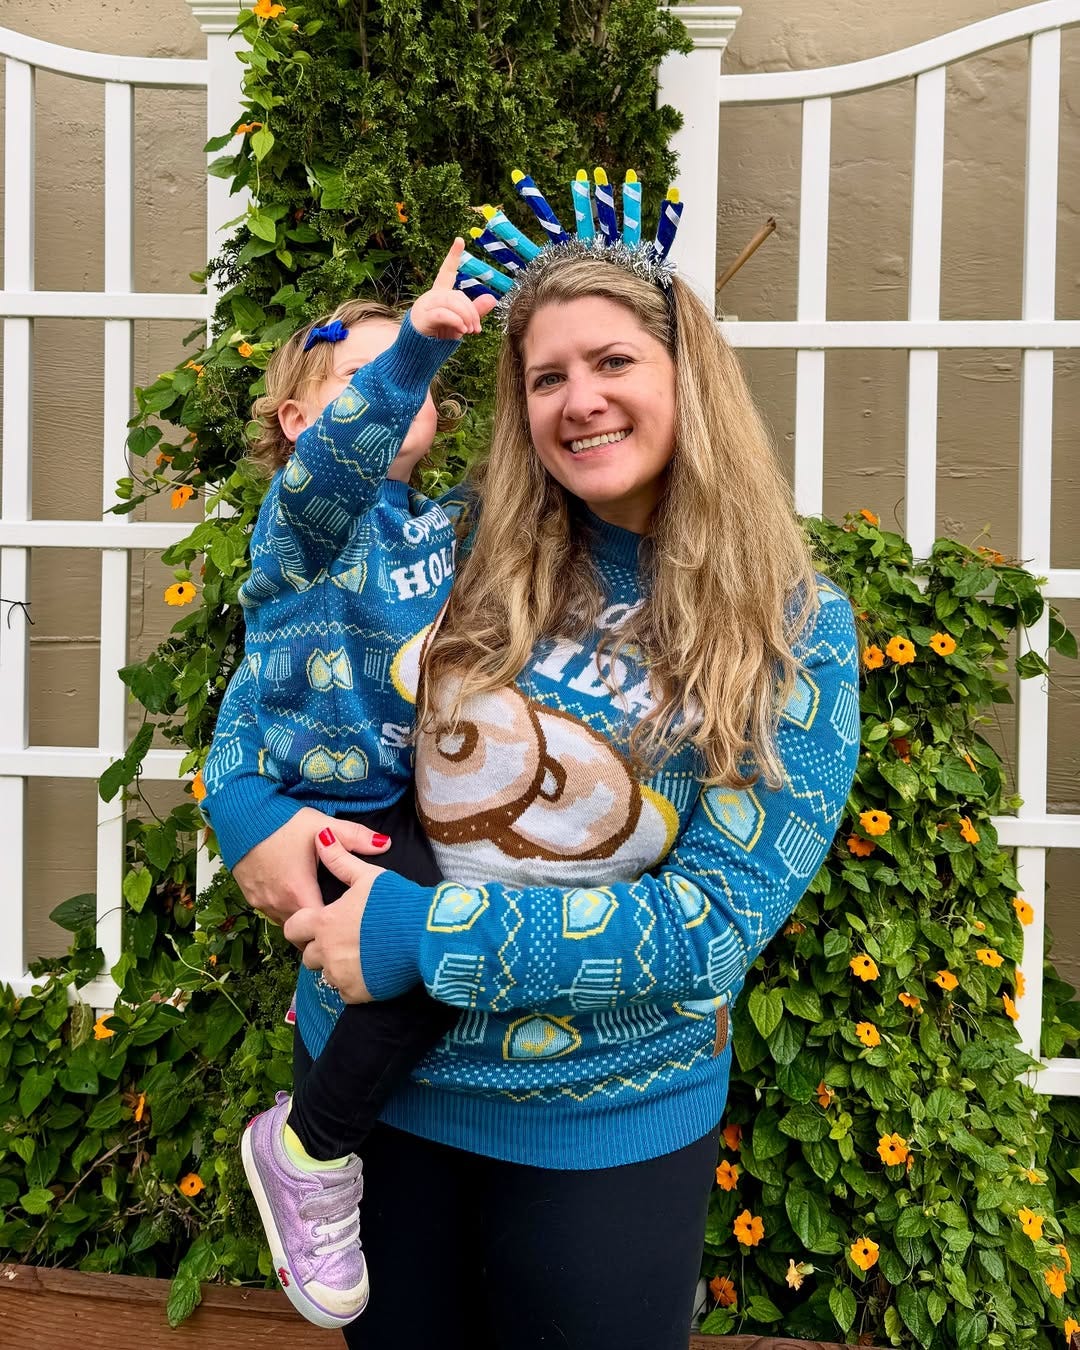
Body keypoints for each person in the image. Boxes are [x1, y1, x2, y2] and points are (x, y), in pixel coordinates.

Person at [204, 177, 860, 1350]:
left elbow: (711, 923)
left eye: (612, 362)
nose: (580, 402)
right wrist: (244, 803)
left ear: (685, 379)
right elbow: (287, 623)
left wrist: (426, 933)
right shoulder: (462, 546)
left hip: (604, 1129)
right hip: (374, 1101)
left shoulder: (791, 627)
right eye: (545, 377)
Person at [200, 242, 495, 1330]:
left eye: (416, 383)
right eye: (363, 381)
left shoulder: (449, 525)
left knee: (440, 951)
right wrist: (415, 342)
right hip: (322, 810)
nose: (399, 394)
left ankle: (316, 1141)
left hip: (413, 810)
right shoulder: (304, 525)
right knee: (408, 970)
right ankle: (307, 1152)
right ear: (296, 423)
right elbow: (340, 465)